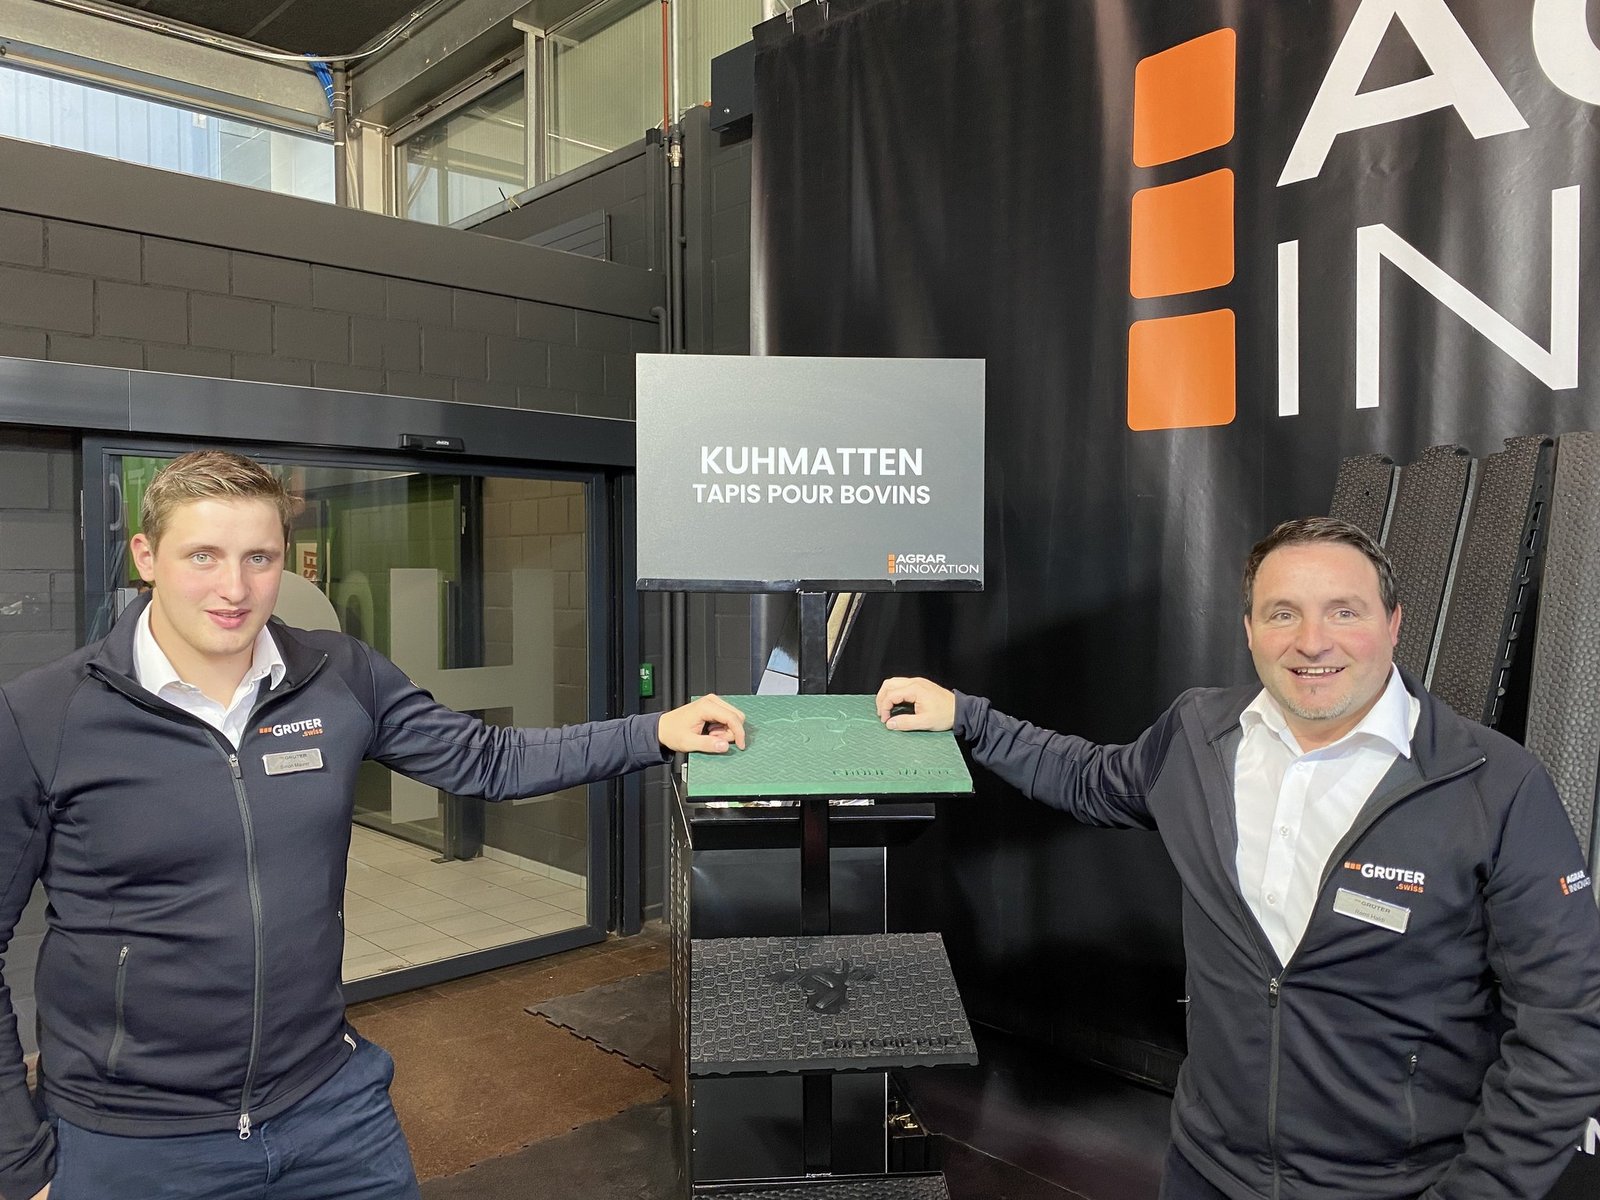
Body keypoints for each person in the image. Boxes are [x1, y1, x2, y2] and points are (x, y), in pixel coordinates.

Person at [0, 450, 746, 1200]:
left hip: (329, 1110)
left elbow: (487, 759)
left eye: (259, 557)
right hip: (131, 1139)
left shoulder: (338, 675)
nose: (234, 588)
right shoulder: (47, 714)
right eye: (203, 556)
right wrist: (18, 1164)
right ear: (146, 557)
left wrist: (654, 732)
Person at [876, 516, 1600, 1200]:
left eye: (1344, 611)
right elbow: (1091, 778)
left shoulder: (1494, 786)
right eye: (1283, 613)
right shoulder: (1199, 736)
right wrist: (971, 720)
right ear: (1250, 629)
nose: (1312, 641)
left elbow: (1565, 1027)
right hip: (1206, 1171)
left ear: (1393, 623)